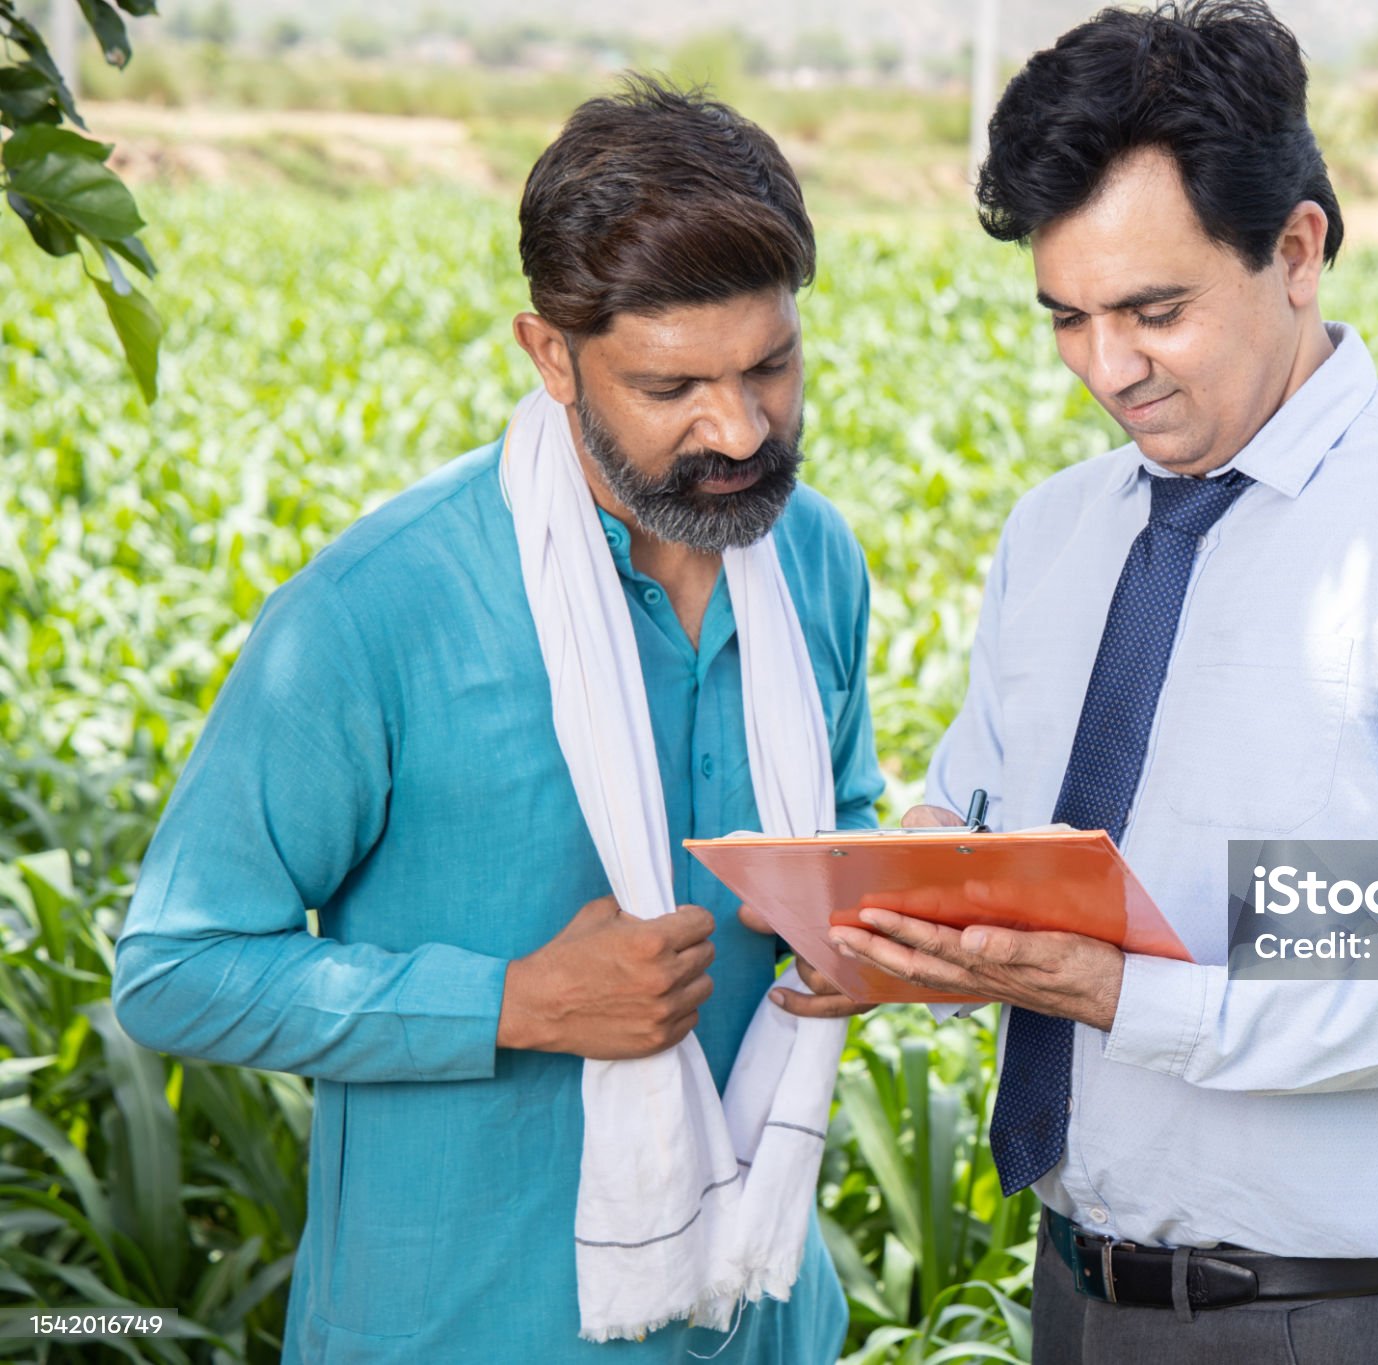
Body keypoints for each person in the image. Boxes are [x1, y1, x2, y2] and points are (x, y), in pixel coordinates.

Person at [828, 4, 1378, 1361]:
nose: (1107, 368)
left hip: (1334, 1319)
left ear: (1298, 249)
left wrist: (1132, 992)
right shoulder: (1059, 531)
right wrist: (905, 916)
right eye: (1067, 318)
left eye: (1155, 310)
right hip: (1074, 1300)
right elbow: (975, 818)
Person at [112, 79, 877, 1364]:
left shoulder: (812, 562)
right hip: (456, 1330)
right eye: (671, 384)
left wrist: (864, 916)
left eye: (770, 366)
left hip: (759, 1322)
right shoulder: (374, 610)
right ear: (548, 356)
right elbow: (174, 972)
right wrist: (513, 1001)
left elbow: (840, 825)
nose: (738, 429)